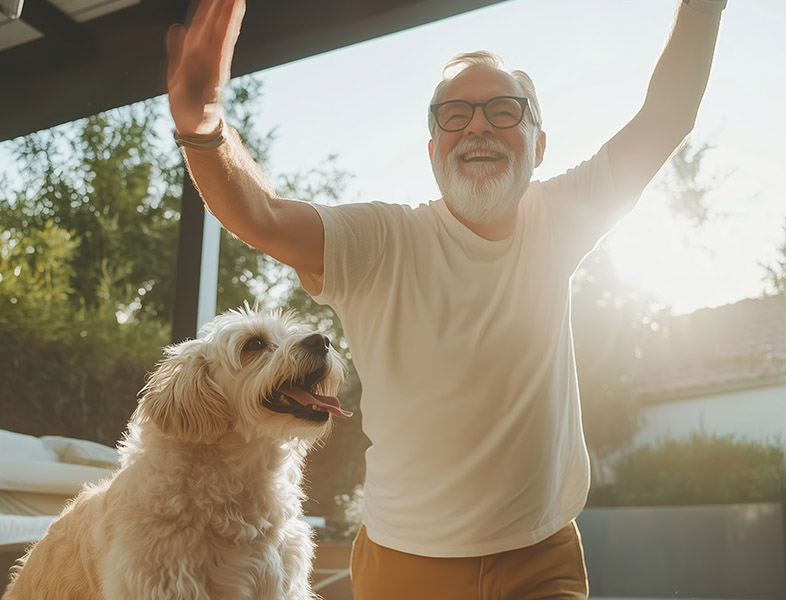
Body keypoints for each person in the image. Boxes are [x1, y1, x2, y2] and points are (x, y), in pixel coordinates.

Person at [165, 1, 724, 598]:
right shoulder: (382, 241)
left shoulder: (560, 218)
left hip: (542, 560)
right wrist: (203, 130)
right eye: (454, 115)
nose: (478, 125)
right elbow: (265, 216)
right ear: (433, 152)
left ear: (537, 146)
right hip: (405, 567)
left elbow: (669, 115)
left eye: (504, 110)